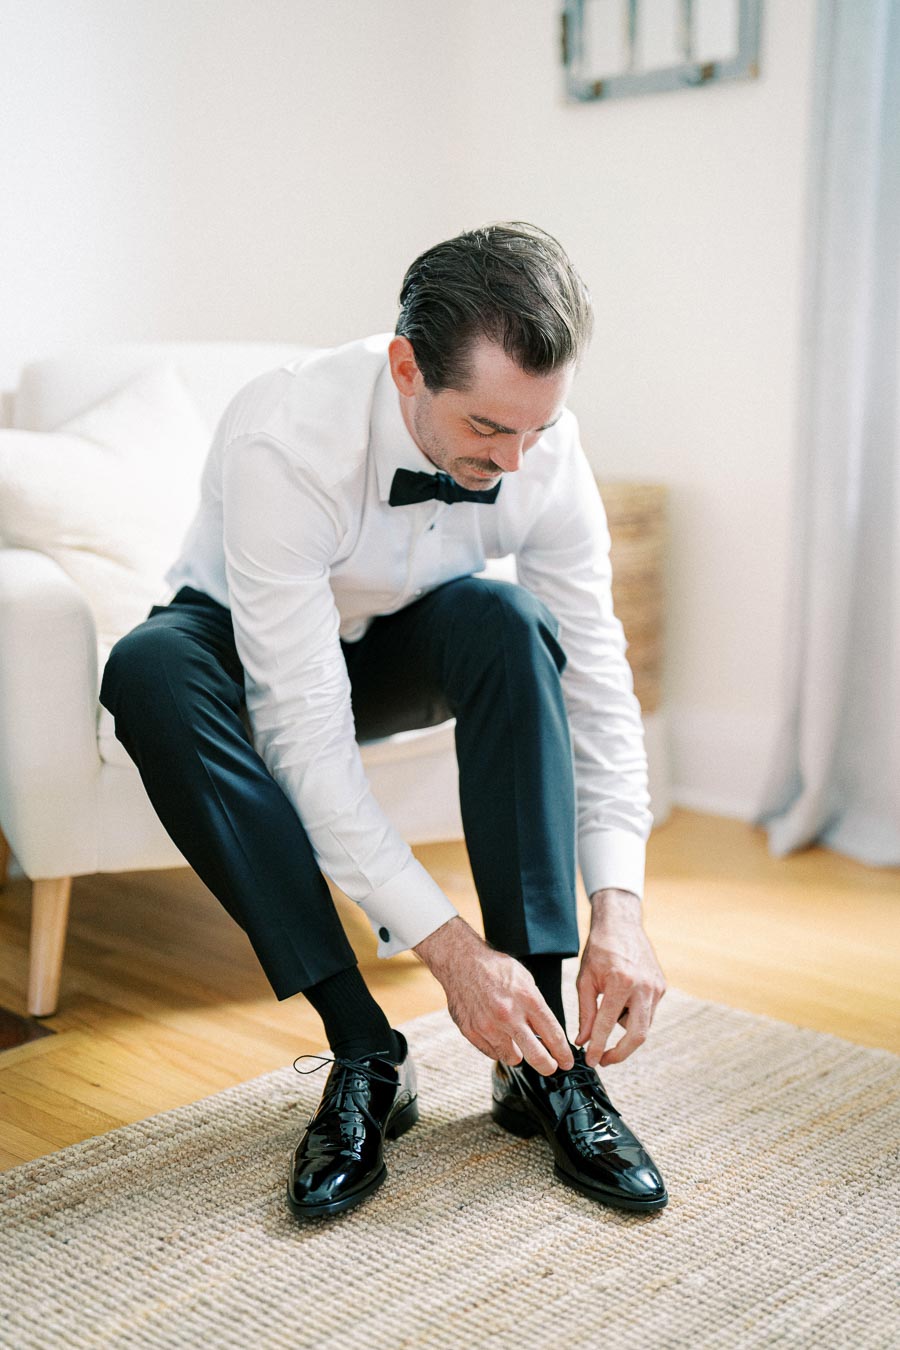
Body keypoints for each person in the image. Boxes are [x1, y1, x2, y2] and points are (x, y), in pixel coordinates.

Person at [100, 222, 669, 1220]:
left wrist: (620, 902)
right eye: (491, 430)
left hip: (406, 639)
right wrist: (448, 954)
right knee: (145, 671)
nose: (519, 456)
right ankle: (366, 1049)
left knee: (510, 620)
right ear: (407, 366)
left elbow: (597, 678)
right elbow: (304, 733)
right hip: (245, 650)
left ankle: (541, 1057)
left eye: (537, 428)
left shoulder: (544, 446)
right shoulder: (287, 436)